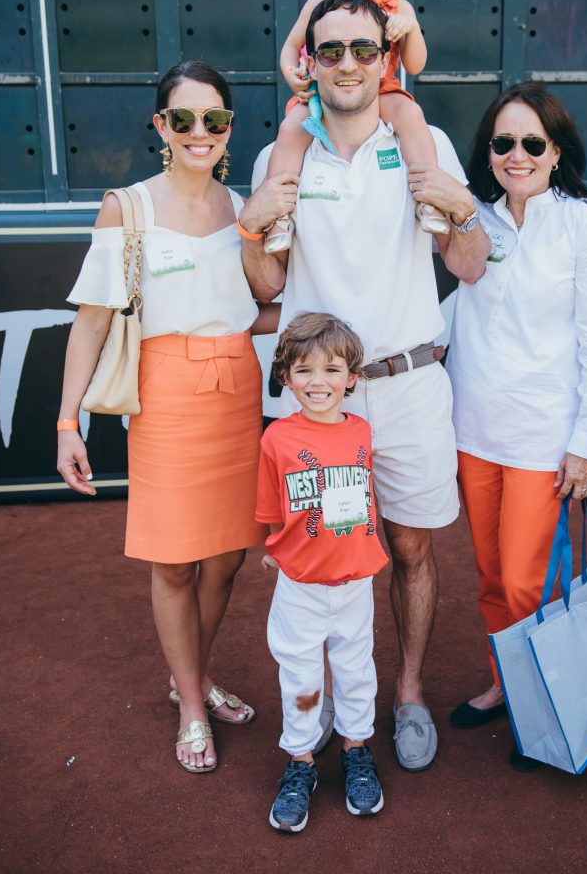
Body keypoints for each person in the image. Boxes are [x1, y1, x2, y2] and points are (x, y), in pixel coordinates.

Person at [238, 0, 491, 772]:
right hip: (319, 402)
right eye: (332, 50)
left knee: (411, 548)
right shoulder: (283, 156)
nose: (348, 63)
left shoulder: (425, 144)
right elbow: (264, 287)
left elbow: (470, 265)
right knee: (317, 555)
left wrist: (465, 210)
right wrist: (253, 224)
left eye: (363, 49)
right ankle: (317, 722)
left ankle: (406, 693)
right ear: (308, 63)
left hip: (410, 384)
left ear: (386, 61)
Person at [56, 61, 269, 774]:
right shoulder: (129, 207)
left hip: (237, 388)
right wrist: (67, 424)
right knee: (175, 563)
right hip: (166, 396)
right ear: (161, 127)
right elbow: (89, 325)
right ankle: (189, 702)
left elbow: (262, 304)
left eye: (214, 119)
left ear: (230, 129)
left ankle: (196, 675)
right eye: (183, 120)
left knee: (229, 558)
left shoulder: (240, 206)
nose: (199, 132)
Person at [445, 82, 587, 771]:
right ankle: (505, 683)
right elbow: (453, 316)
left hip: (543, 437)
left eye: (530, 143)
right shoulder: (473, 225)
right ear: (487, 152)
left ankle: (542, 700)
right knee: (492, 576)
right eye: (502, 142)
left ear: (556, 151)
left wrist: (584, 444)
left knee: (525, 583)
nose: (515, 155)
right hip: (472, 429)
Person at [262, 0, 447, 253]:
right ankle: (279, 215)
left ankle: (428, 197)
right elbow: (289, 47)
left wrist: (411, 29)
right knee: (291, 129)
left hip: (382, 91)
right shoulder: (319, 3)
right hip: (324, 91)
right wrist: (291, 72)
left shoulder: (399, 6)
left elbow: (416, 64)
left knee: (412, 118)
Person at [257, 312, 388, 832]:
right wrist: (274, 547)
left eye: (332, 370)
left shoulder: (361, 431)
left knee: (357, 671)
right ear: (286, 376)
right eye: (304, 371)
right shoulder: (277, 439)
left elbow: (363, 497)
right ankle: (301, 761)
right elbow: (270, 506)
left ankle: (357, 749)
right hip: (300, 587)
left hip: (356, 582)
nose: (319, 383)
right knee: (302, 676)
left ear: (352, 377)